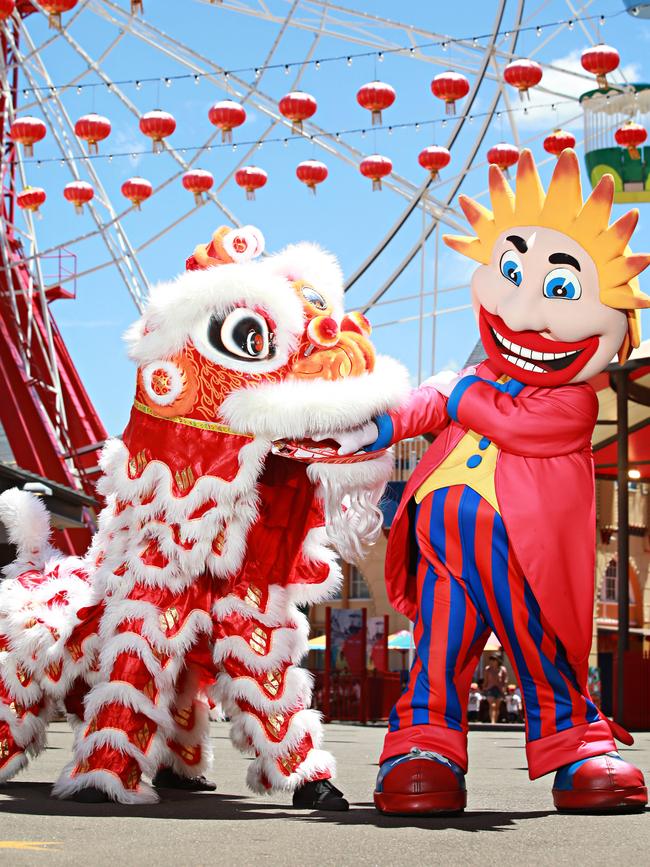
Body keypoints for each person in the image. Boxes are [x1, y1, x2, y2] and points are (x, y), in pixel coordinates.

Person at [326, 150, 650, 815]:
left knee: (538, 644)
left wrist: (461, 391)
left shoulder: (571, 401)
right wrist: (371, 428)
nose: (526, 310)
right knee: (438, 649)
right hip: (443, 548)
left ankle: (576, 741)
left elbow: (507, 421)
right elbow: (426, 402)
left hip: (522, 553)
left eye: (560, 292)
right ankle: (423, 745)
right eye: (511, 275)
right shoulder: (475, 378)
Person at [483, 656, 507, 724]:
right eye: (491, 660)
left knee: (497, 706)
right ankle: (492, 721)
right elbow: (485, 679)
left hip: (499, 689)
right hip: (490, 688)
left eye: (493, 660)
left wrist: (504, 690)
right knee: (492, 705)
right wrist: (484, 687)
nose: (492, 662)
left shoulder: (502, 669)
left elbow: (505, 680)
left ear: (497, 661)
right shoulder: (487, 669)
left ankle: (495, 721)